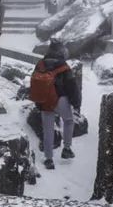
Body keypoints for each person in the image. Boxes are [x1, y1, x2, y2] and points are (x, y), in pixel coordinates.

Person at [37, 41, 81, 170]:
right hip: (60, 99)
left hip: (45, 100)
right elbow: (72, 86)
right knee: (68, 121)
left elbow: (36, 83)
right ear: (61, 51)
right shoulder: (63, 66)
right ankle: (66, 149)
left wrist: (38, 101)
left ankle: (48, 159)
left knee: (48, 129)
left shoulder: (41, 64)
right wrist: (76, 102)